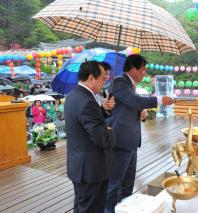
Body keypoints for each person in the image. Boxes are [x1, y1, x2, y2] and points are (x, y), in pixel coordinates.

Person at [105, 54, 175, 213]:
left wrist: (140, 114)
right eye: (142, 69)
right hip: (120, 141)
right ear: (132, 68)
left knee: (128, 184)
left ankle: (124, 209)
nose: (144, 73)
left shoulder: (130, 85)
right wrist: (158, 100)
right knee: (114, 183)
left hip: (131, 141)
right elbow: (133, 101)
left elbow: (129, 106)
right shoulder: (119, 82)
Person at [64, 61, 115, 213]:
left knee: (82, 206)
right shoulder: (87, 101)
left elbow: (86, 121)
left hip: (80, 166)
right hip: (91, 170)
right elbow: (100, 138)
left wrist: (102, 110)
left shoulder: (73, 95)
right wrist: (110, 131)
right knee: (92, 208)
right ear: (92, 78)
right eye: (102, 78)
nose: (104, 81)